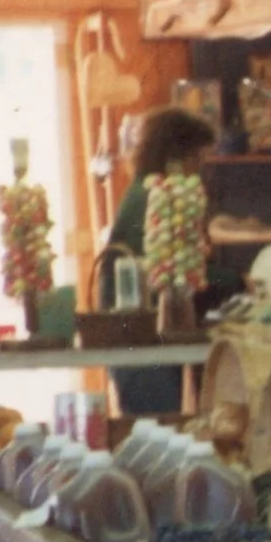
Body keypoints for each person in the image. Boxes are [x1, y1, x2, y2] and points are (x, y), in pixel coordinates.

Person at [102, 108, 236, 417]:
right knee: (158, 425)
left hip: (145, 335)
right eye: (197, 160)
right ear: (176, 157)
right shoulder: (150, 199)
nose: (199, 171)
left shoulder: (147, 194)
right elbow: (173, 266)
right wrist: (235, 280)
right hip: (138, 340)